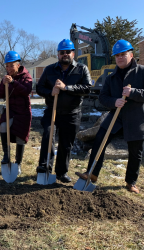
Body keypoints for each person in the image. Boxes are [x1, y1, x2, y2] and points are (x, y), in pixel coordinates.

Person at [75, 40, 144, 193]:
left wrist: (133, 92)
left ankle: (130, 182)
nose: (120, 58)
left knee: (135, 151)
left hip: (137, 118)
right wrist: (114, 101)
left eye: (123, 54)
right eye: (117, 55)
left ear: (131, 55)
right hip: (117, 117)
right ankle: (92, 173)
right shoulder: (111, 77)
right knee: (100, 139)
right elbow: (103, 97)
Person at [36, 39, 92, 183]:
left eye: (68, 52)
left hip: (72, 113)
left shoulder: (81, 69)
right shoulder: (49, 70)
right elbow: (39, 88)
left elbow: (87, 88)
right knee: (48, 137)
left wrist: (67, 88)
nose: (65, 54)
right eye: (62, 52)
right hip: (52, 111)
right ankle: (44, 168)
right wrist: (50, 92)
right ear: (58, 54)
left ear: (73, 53)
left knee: (66, 143)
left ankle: (61, 172)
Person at [0, 51, 32, 175]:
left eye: (11, 65)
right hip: (11, 110)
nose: (8, 68)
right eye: (7, 66)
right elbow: (0, 95)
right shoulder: (5, 78)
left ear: (18, 65)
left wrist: (13, 82)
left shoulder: (26, 76)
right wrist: (3, 84)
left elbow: (26, 91)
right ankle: (6, 155)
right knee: (3, 126)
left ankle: (18, 163)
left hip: (23, 112)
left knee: (20, 137)